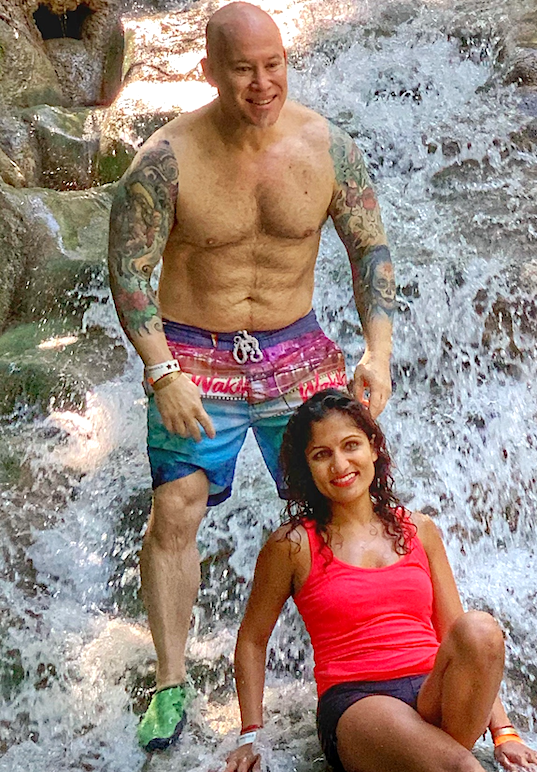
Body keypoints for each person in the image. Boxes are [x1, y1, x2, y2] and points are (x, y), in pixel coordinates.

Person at [106, 2, 396, 749]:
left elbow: (369, 250)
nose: (262, 83)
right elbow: (129, 270)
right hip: (193, 353)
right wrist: (160, 370)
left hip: (295, 348)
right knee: (177, 504)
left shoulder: (328, 146)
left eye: (273, 65)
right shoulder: (164, 159)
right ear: (209, 71)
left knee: (343, 503)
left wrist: (377, 350)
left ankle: (361, 665)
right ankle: (171, 682)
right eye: (243, 69)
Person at [223, 389, 537, 772]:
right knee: (463, 768)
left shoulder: (419, 529)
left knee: (480, 629)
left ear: (374, 448)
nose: (340, 464)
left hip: (434, 693)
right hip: (358, 703)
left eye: (351, 446)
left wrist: (505, 733)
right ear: (306, 468)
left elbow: (455, 631)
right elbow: (251, 638)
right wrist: (250, 735)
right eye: (321, 455)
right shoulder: (293, 544)